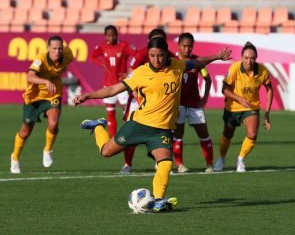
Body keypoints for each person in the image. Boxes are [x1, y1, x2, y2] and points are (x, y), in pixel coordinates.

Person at [73, 37, 232, 212]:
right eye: (152, 55)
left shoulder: (177, 65)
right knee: (105, 152)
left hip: (161, 130)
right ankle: (98, 126)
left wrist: (217, 56)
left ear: (167, 54)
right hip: (139, 124)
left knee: (165, 163)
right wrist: (87, 96)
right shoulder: (140, 73)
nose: (156, 59)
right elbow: (112, 89)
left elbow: (197, 62)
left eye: (160, 56)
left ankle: (158, 200)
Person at [10, 35, 74, 174]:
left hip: (53, 94)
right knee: (25, 132)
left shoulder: (68, 55)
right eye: (54, 48)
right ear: (48, 48)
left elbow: (62, 66)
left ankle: (47, 150)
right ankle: (15, 157)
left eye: (60, 48)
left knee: (53, 123)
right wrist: (45, 81)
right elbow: (29, 76)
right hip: (34, 97)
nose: (57, 51)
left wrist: (54, 79)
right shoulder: (41, 58)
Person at [120, 28, 175, 174]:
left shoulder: (171, 57)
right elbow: (130, 75)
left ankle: (161, 161)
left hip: (158, 102)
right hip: (137, 98)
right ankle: (127, 164)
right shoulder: (141, 53)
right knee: (130, 133)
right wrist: (137, 94)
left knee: (165, 130)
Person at [213, 41, 273, 173]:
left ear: (256, 58)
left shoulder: (262, 71)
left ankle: (240, 159)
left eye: (252, 58)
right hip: (233, 107)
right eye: (246, 58)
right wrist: (239, 98)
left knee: (252, 134)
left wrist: (267, 114)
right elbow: (224, 89)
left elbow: (269, 89)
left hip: (251, 107)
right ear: (242, 58)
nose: (249, 61)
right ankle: (221, 159)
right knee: (228, 134)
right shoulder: (234, 68)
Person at [172, 33, 214, 173]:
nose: (187, 49)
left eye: (190, 46)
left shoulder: (197, 61)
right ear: (178, 46)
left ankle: (210, 165)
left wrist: (205, 98)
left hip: (195, 104)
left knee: (204, 133)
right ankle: (180, 165)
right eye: (184, 46)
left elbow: (207, 79)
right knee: (178, 135)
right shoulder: (173, 61)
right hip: (178, 104)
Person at [89, 25, 137, 138]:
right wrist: (101, 64)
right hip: (108, 83)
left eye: (113, 35)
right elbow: (92, 56)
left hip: (122, 83)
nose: (111, 38)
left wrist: (129, 73)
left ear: (117, 34)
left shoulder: (124, 45)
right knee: (110, 111)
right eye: (109, 36)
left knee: (127, 111)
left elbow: (136, 56)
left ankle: (128, 135)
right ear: (105, 36)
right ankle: (113, 137)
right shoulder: (102, 46)